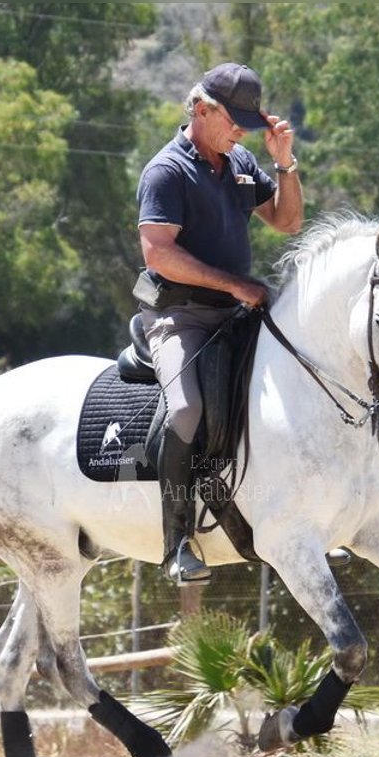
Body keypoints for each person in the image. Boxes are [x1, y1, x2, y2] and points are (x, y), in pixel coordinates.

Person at [134, 62, 303, 586]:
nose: (242, 131)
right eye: (235, 121)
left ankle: (303, 523)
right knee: (186, 409)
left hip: (235, 315)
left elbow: (287, 220)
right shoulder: (166, 171)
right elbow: (159, 254)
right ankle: (177, 541)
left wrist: (284, 164)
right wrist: (234, 284)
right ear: (203, 110)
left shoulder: (242, 161)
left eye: (250, 124)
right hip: (179, 316)